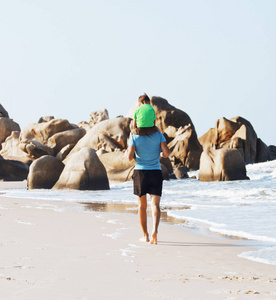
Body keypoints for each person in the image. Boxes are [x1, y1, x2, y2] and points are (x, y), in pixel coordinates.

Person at [127, 128, 170, 245]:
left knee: (142, 206)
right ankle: (154, 231)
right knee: (155, 204)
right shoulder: (159, 135)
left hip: (140, 172)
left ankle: (145, 236)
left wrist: (129, 143)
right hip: (155, 172)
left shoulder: (134, 137)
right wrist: (160, 153)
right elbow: (166, 153)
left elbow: (129, 157)